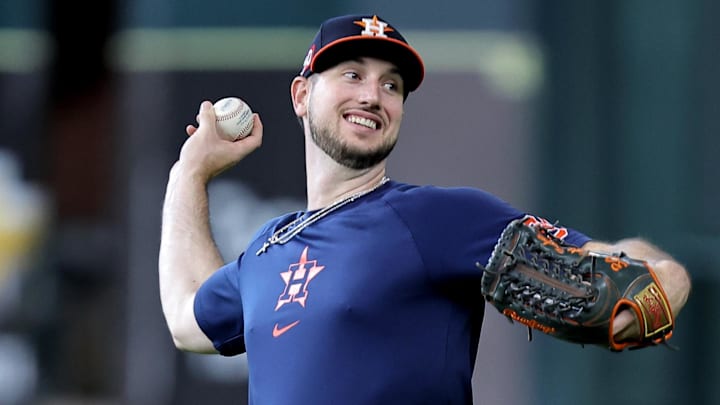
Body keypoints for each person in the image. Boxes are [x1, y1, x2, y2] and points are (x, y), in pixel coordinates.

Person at [159, 14, 691, 404]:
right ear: (301, 95)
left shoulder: (437, 220)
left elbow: (634, 277)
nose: (373, 95)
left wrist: (661, 279)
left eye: (391, 85)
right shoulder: (267, 249)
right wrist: (189, 173)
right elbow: (187, 321)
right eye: (352, 74)